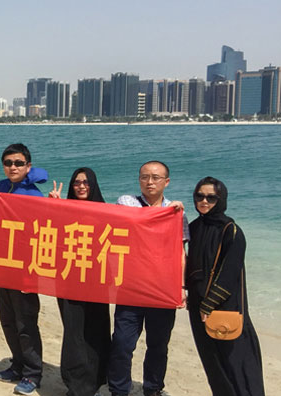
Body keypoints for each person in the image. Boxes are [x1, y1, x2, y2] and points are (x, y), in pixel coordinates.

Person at [108, 160, 188, 396]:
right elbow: (129, 221)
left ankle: (153, 388)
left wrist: (181, 286)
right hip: (131, 287)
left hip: (162, 289)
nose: (149, 182)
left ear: (166, 182)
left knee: (158, 345)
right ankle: (119, 390)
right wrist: (165, 212)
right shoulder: (127, 202)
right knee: (122, 343)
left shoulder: (177, 213)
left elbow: (180, 253)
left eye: (155, 177)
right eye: (144, 177)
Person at [186, 177, 264, 396]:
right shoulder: (194, 228)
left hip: (225, 307)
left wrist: (209, 304)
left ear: (221, 199)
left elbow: (230, 272)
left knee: (237, 364)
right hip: (198, 308)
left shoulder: (231, 230)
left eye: (211, 198)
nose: (204, 201)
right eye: (199, 196)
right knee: (213, 364)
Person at [48, 168, 111, 396]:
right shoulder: (64, 209)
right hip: (69, 279)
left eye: (85, 182)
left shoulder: (107, 211)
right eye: (76, 182)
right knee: (73, 332)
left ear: (93, 184)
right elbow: (49, 234)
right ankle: (75, 384)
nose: (81, 186)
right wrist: (54, 207)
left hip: (97, 281)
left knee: (96, 330)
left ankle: (95, 380)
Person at [0, 143, 47, 395]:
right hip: (4, 265)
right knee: (7, 320)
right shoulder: (1, 186)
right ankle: (17, 365)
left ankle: (33, 373)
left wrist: (34, 273)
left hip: (26, 268)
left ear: (28, 165)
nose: (12, 167)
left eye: (18, 163)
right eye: (8, 163)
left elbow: (44, 233)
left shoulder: (35, 195)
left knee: (26, 324)